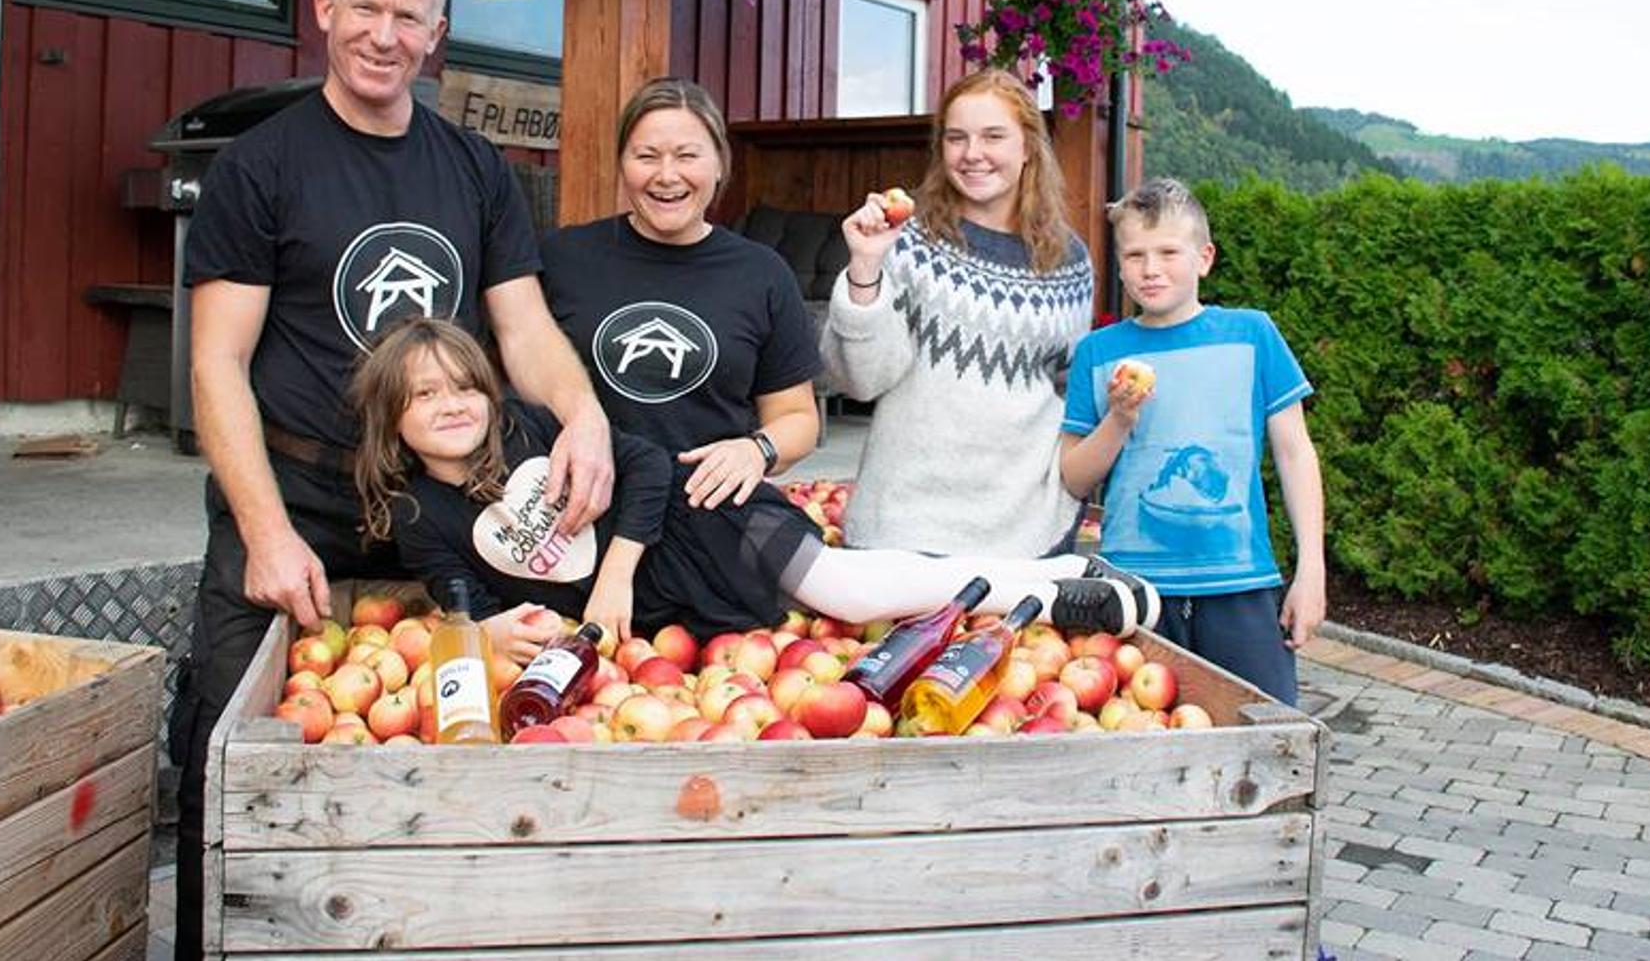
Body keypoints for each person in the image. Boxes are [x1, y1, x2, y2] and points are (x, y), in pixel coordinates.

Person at [173, 0, 612, 959]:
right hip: (298, 496)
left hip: (442, 502)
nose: (383, 33)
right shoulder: (261, 165)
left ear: (436, 35)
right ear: (325, 10)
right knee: (228, 752)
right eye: (363, 7)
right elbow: (215, 364)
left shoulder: (473, 169)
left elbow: (524, 331)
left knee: (462, 729)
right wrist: (267, 534)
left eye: (407, 16)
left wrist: (588, 414)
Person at [352, 319, 1157, 653]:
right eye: (423, 395)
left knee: (844, 587)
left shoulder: (531, 426)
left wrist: (619, 571)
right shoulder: (423, 515)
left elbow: (641, 464)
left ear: (489, 392)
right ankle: (1057, 572)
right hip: (674, 599)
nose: (449, 404)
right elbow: (460, 595)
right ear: (393, 419)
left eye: (461, 385)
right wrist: (485, 634)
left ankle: (1056, 596)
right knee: (856, 590)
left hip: (698, 516)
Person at [1058, 177, 1326, 706]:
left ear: (1204, 258)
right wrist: (1118, 419)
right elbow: (1073, 476)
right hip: (1136, 591)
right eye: (1134, 254)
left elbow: (1296, 453)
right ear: (1118, 264)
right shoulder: (1097, 352)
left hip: (1241, 583)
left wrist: (1311, 570)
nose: (1150, 268)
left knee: (1264, 734)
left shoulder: (1253, 336)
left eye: (1167, 252)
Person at [821, 68, 1099, 559]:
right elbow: (860, 382)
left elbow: (1068, 391)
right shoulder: (903, 240)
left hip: (1023, 534)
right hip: (904, 527)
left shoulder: (1069, 262)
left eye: (993, 136)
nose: (972, 154)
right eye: (956, 138)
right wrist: (865, 267)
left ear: (1029, 146)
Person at [539, 77, 819, 509]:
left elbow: (798, 418)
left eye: (687, 156)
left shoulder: (762, 273)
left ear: (721, 163)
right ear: (622, 164)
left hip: (706, 513)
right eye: (646, 156)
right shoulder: (562, 257)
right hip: (578, 508)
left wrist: (754, 450)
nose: (666, 176)